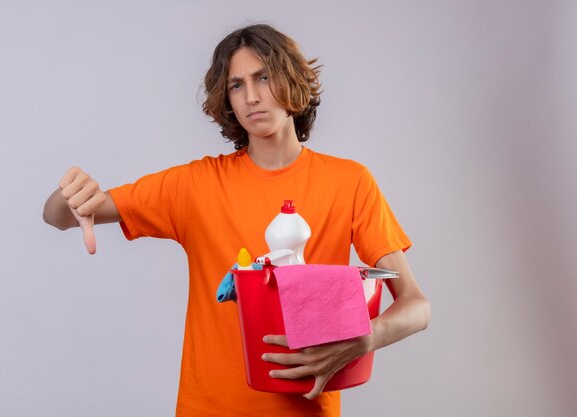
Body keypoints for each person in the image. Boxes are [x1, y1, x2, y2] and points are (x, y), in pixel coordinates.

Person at [43, 24, 430, 417]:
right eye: (236, 85)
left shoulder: (350, 182)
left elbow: (416, 307)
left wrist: (361, 341)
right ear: (226, 99)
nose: (252, 96)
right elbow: (61, 217)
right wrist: (69, 195)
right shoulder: (195, 185)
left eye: (263, 77)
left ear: (291, 79)